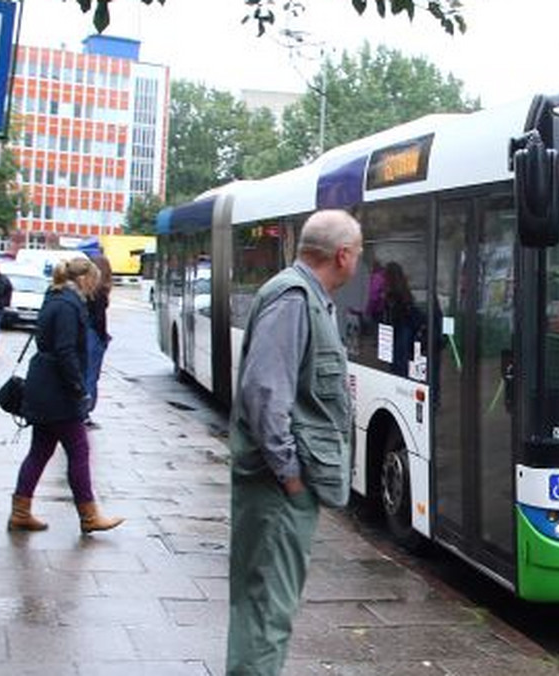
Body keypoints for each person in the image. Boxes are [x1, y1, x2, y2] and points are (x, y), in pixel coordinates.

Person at [226, 209, 364, 676]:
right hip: (277, 489)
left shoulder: (307, 297)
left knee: (265, 605)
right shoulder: (293, 298)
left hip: (280, 487)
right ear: (343, 255)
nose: (359, 262)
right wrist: (290, 479)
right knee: (268, 608)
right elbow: (265, 395)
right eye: (359, 252)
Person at [7, 256, 124, 534]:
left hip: (43, 386)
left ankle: (20, 511)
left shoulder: (54, 298)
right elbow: (66, 351)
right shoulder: (70, 306)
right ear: (84, 279)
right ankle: (89, 515)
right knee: (79, 451)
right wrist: (78, 388)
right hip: (58, 392)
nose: (95, 286)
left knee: (40, 450)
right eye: (93, 281)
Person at [84, 253, 113, 427]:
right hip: (94, 335)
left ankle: (82, 410)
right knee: (91, 375)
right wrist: (104, 338)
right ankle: (85, 411)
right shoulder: (100, 292)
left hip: (86, 333)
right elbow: (99, 319)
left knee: (84, 373)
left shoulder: (86, 289)